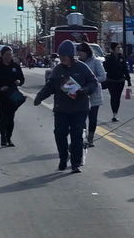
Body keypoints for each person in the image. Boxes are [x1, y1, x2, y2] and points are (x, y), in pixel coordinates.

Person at [33, 41, 98, 173]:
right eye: (60, 56)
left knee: (76, 136)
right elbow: (49, 86)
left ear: (71, 56)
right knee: (59, 134)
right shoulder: (57, 70)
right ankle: (63, 157)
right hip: (61, 109)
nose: (62, 58)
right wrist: (40, 96)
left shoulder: (82, 68)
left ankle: (75, 163)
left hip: (79, 108)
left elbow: (93, 83)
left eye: (64, 56)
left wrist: (85, 90)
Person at [0, 46, 25, 147]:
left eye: (10, 54)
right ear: (2, 55)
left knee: (10, 117)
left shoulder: (15, 66)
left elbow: (21, 78)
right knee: (3, 115)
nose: (9, 57)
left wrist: (19, 82)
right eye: (7, 54)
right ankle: (3, 137)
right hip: (0, 95)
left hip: (12, 95)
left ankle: (9, 137)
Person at [76, 43, 107, 147]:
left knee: (92, 118)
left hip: (94, 94)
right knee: (81, 118)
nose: (79, 55)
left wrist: (91, 81)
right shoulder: (78, 63)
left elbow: (102, 76)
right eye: (78, 53)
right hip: (82, 94)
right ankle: (83, 139)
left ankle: (90, 139)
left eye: (81, 52)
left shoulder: (95, 62)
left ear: (86, 52)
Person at [103, 42, 132, 122]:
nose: (119, 49)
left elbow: (125, 69)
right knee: (113, 97)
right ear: (113, 49)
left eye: (120, 47)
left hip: (120, 80)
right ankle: (114, 114)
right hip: (111, 80)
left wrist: (128, 79)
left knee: (118, 97)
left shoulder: (121, 57)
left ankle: (116, 113)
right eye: (117, 48)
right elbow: (105, 69)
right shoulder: (108, 58)